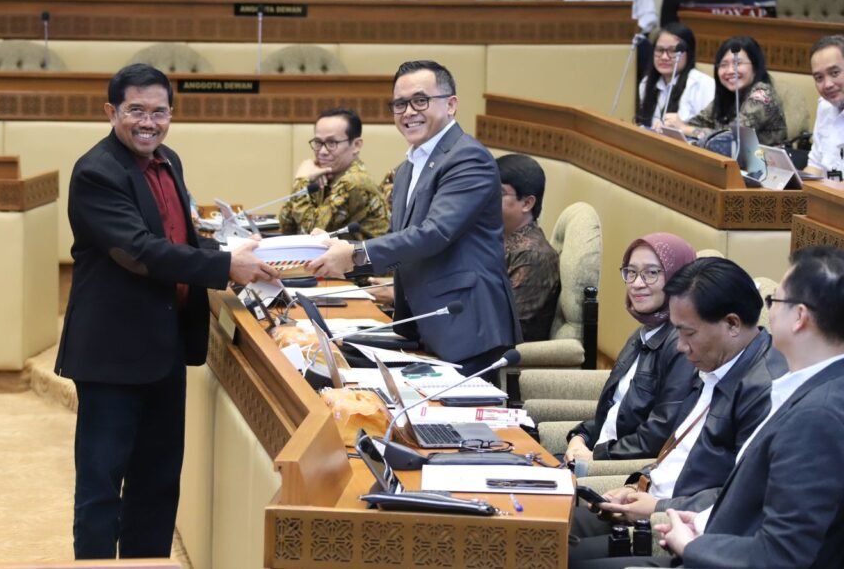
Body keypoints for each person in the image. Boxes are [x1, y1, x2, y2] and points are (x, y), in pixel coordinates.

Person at [54, 63, 277, 559]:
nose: (148, 122)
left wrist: (228, 244)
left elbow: (172, 234)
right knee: (100, 490)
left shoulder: (167, 159)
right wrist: (224, 266)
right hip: (112, 355)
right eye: (136, 110)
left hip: (165, 347)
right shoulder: (97, 171)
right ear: (111, 111)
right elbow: (138, 251)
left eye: (159, 112)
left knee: (157, 485)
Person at [306, 60, 521, 375]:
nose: (408, 112)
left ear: (451, 105)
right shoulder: (408, 167)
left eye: (420, 101)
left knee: (454, 420)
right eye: (400, 104)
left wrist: (354, 254)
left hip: (466, 324)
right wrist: (336, 247)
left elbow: (435, 233)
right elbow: (404, 241)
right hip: (424, 321)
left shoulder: (468, 158)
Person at [568, 257, 787, 566]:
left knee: (560, 557)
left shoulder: (765, 391)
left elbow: (742, 495)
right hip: (646, 502)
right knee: (537, 533)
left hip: (678, 525)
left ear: (732, 324)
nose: (681, 347)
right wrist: (636, 485)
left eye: (688, 333)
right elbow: (676, 449)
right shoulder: (715, 363)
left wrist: (657, 505)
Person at [644, 247, 844, 568]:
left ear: (800, 317)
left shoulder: (817, 416)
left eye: (774, 301)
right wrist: (705, 519)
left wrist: (691, 545)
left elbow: (781, 556)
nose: (766, 311)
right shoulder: (815, 388)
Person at [565, 233, 697, 462]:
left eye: (651, 273)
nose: (637, 283)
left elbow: (658, 435)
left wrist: (595, 455)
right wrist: (581, 435)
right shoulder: (643, 333)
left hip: (615, 473)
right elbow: (616, 412)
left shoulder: (682, 345)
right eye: (632, 272)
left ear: (680, 278)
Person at [277, 107, 390, 240]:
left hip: (361, 259)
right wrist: (305, 184)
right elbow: (286, 226)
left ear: (356, 145)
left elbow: (310, 235)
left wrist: (301, 181)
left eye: (332, 143)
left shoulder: (354, 182)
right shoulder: (322, 176)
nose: (323, 151)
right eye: (318, 143)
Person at [496, 154, 559, 341]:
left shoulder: (533, 255)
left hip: (508, 361)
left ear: (527, 203)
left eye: (498, 193)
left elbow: (506, 326)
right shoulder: (496, 239)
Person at [683, 36, 788, 146]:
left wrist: (690, 130)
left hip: (766, 161)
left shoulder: (762, 94)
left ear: (755, 67)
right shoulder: (729, 94)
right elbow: (696, 122)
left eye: (738, 63)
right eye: (724, 65)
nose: (730, 71)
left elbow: (731, 136)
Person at [636, 22, 715, 129]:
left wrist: (684, 127)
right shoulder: (646, 83)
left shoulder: (703, 85)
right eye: (659, 50)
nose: (664, 57)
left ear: (689, 53)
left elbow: (712, 132)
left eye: (673, 51)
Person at [803, 35, 844, 178]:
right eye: (819, 78)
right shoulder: (825, 106)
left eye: (834, 73)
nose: (827, 85)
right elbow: (815, 167)